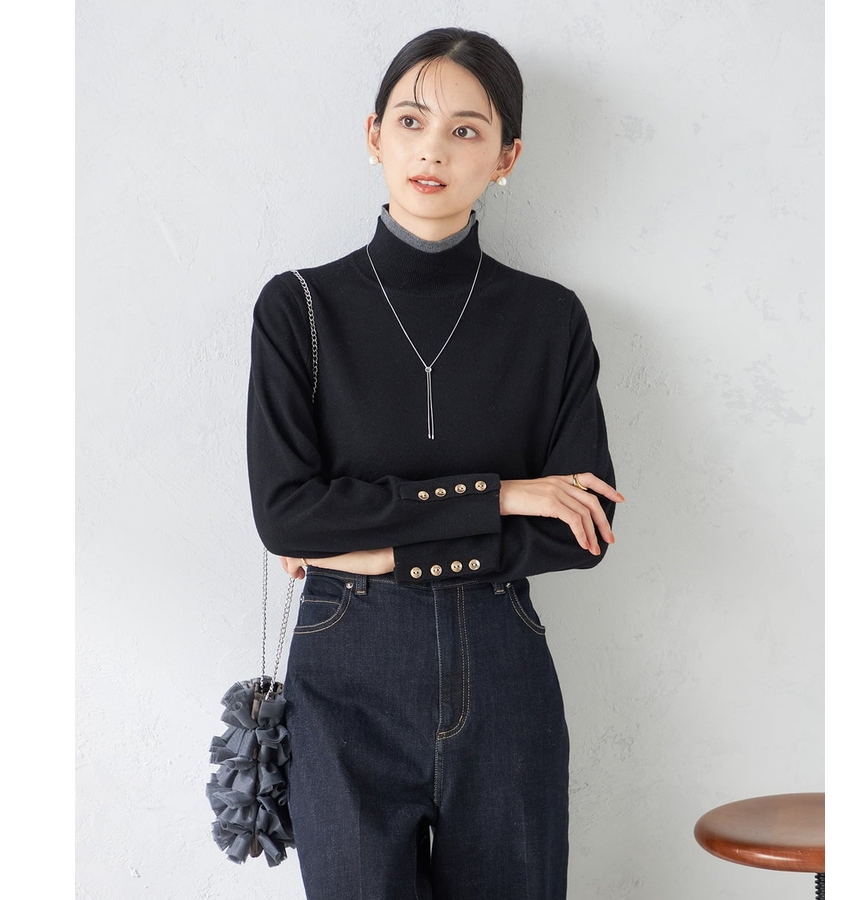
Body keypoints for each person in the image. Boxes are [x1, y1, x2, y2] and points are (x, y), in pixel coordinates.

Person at [246, 26, 623, 900]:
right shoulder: (300, 309)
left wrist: (377, 545)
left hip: (503, 664)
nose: (433, 150)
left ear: (507, 156)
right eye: (411, 121)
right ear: (374, 134)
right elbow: (287, 516)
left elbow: (584, 530)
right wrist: (506, 495)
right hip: (345, 669)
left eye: (465, 130)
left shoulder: (550, 319)